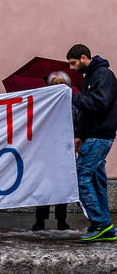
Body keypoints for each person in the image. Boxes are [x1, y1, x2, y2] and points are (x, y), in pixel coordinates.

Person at [67, 44, 117, 242]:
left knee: (81, 177)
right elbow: (87, 112)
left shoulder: (103, 75)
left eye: (73, 63)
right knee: (97, 181)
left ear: (83, 57)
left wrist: (73, 97)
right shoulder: (90, 77)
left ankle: (101, 223)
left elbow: (99, 103)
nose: (71, 68)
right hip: (93, 136)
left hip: (100, 136)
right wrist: (79, 134)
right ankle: (106, 227)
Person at [31, 71, 71, 231]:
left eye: (61, 84)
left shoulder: (71, 102)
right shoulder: (42, 104)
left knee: (63, 186)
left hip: (63, 150)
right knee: (43, 187)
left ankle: (62, 220)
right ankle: (40, 220)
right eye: (54, 84)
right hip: (44, 151)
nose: (57, 87)